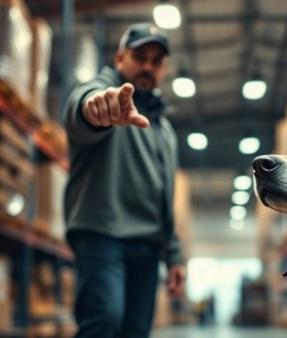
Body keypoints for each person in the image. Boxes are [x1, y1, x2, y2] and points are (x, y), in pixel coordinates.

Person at [63, 22, 186, 338]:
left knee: (135, 331)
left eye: (156, 61)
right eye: (139, 56)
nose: (147, 66)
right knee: (104, 321)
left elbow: (164, 196)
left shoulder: (165, 132)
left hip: (148, 243)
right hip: (102, 234)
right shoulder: (109, 94)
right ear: (120, 58)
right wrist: (96, 110)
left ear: (164, 69)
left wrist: (173, 254)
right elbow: (84, 106)